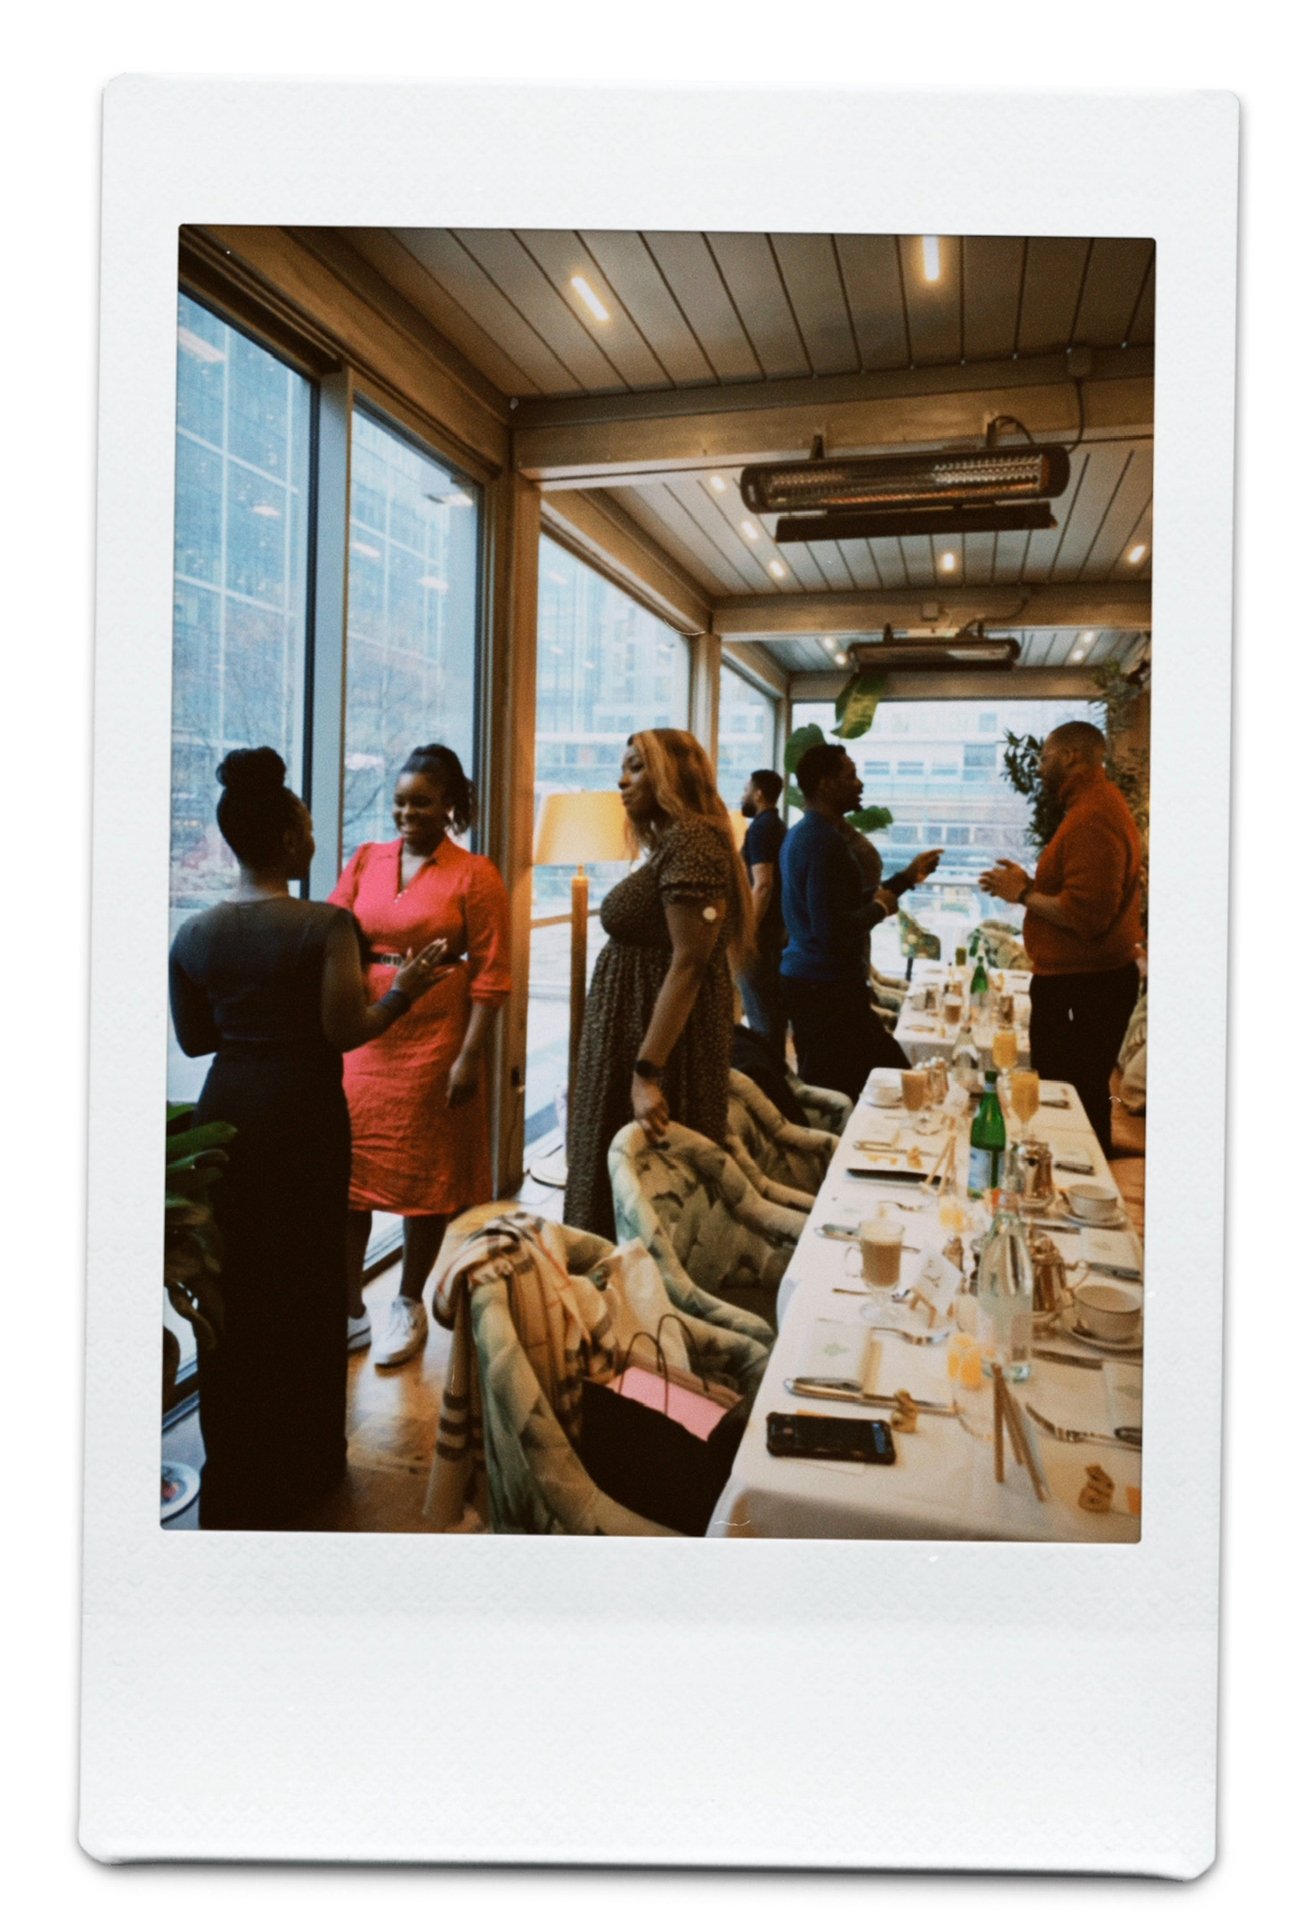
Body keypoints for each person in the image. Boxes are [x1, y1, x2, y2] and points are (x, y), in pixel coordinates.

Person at [168, 748, 451, 1529]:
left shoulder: (193, 932)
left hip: (227, 1115)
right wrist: (405, 990)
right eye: (308, 824)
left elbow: (195, 1040)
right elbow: (345, 1030)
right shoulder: (326, 926)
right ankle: (304, 1462)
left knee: (237, 1283)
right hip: (302, 1115)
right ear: (291, 837)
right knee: (305, 1280)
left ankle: (235, 1460)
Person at [331, 744, 511, 1369]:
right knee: (351, 1175)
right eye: (400, 802)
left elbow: (492, 975)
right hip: (367, 1032)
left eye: (422, 803)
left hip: (436, 1038)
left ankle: (407, 1303)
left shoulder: (474, 874)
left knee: (424, 1178)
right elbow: (330, 930)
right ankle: (347, 1306)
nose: (407, 814)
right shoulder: (366, 858)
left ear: (450, 805)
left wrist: (469, 1057)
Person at [563, 728, 754, 1243]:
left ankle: (636, 1287)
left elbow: (690, 962)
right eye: (623, 768)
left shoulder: (692, 841)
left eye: (636, 767)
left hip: (657, 1043)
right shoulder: (678, 841)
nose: (622, 781)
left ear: (673, 775)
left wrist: (647, 1073)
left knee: (650, 1190)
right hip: (635, 1030)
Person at [979, 719, 1143, 1158]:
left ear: (1071, 757)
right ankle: (1080, 1169)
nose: (1039, 766)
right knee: (1080, 1094)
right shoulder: (1091, 807)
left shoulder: (1093, 817)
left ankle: (1074, 1176)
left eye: (1045, 756)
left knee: (1068, 1098)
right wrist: (1029, 885)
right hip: (1085, 981)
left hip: (1083, 986)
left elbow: (1086, 917)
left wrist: (1023, 894)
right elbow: (1080, 897)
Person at [779, 742, 940, 1101]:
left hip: (813, 983)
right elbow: (831, 931)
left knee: (854, 1085)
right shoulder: (824, 842)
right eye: (850, 776)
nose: (860, 783)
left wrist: (905, 879)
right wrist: (880, 908)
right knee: (889, 1085)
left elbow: (837, 905)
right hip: (826, 989)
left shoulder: (803, 834)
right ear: (825, 785)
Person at [738, 767, 788, 1053]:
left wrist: (748, 932)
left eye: (746, 790)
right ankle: (776, 1070)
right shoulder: (777, 825)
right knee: (770, 1013)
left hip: (762, 935)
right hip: (776, 932)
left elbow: (763, 885)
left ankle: (769, 1073)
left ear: (758, 794)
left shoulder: (761, 828)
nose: (742, 796)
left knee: (761, 1016)